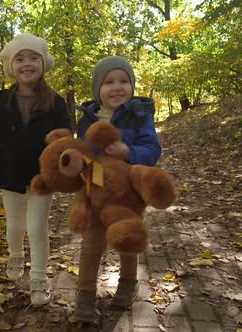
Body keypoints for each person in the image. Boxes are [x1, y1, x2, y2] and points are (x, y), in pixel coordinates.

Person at [0, 33, 71, 306]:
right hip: (10, 177)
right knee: (15, 225)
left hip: (42, 179)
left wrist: (65, 171)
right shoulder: (0, 105)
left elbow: (64, 140)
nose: (27, 64)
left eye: (33, 58)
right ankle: (16, 254)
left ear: (43, 63)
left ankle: (39, 278)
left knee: (37, 226)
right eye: (20, 59)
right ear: (10, 66)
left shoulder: (56, 102)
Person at [73, 56, 161, 327]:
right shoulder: (87, 119)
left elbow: (153, 149)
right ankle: (85, 298)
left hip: (129, 194)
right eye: (109, 82)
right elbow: (82, 154)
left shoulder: (139, 115)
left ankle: (127, 285)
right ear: (97, 89)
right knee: (92, 243)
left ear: (132, 86)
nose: (117, 87)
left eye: (124, 81)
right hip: (97, 190)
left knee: (127, 239)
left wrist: (129, 152)